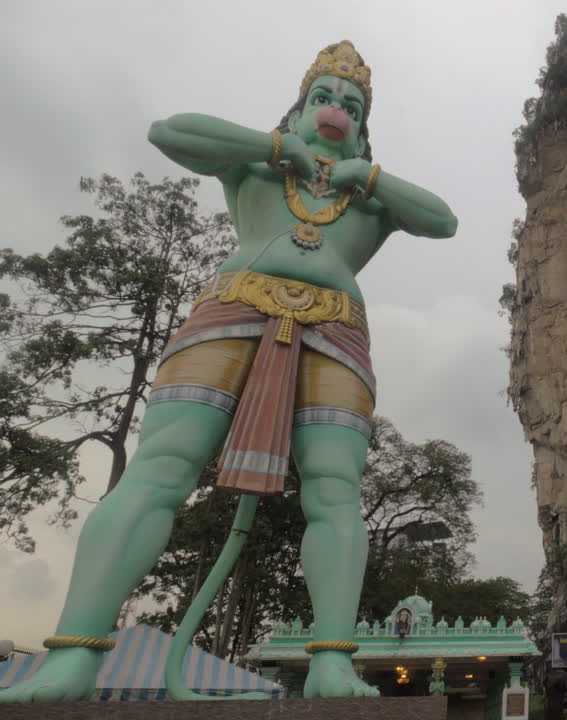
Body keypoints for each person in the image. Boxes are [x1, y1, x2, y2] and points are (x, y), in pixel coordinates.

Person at [0, 40, 457, 703]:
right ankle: (72, 657)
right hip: (232, 308)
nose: (337, 111)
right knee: (161, 469)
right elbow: (169, 132)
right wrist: (279, 150)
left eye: (352, 107)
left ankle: (331, 662)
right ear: (297, 111)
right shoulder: (256, 164)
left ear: (363, 129)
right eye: (323, 99)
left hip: (336, 330)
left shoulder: (371, 198)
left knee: (333, 490)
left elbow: (443, 221)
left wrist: (373, 178)